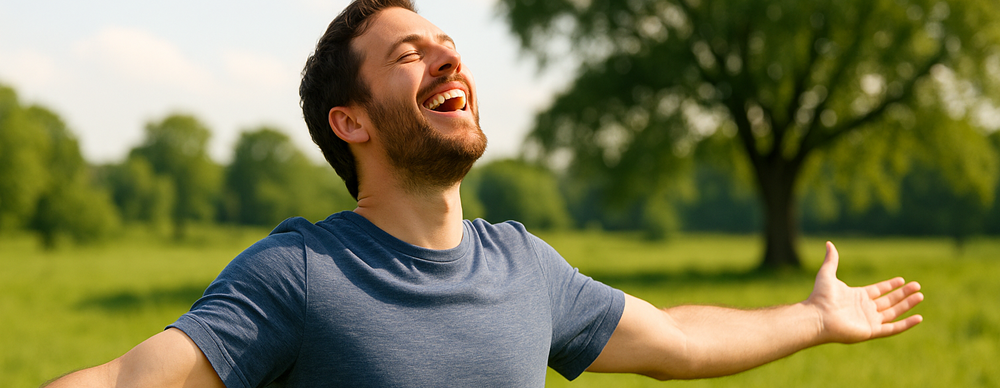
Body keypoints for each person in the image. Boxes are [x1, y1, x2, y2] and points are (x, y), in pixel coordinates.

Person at [44, 0, 924, 387]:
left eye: (448, 44)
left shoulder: (525, 267)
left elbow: (680, 341)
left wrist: (814, 317)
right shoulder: (301, 272)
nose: (449, 58)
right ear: (350, 123)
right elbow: (129, 381)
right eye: (410, 54)